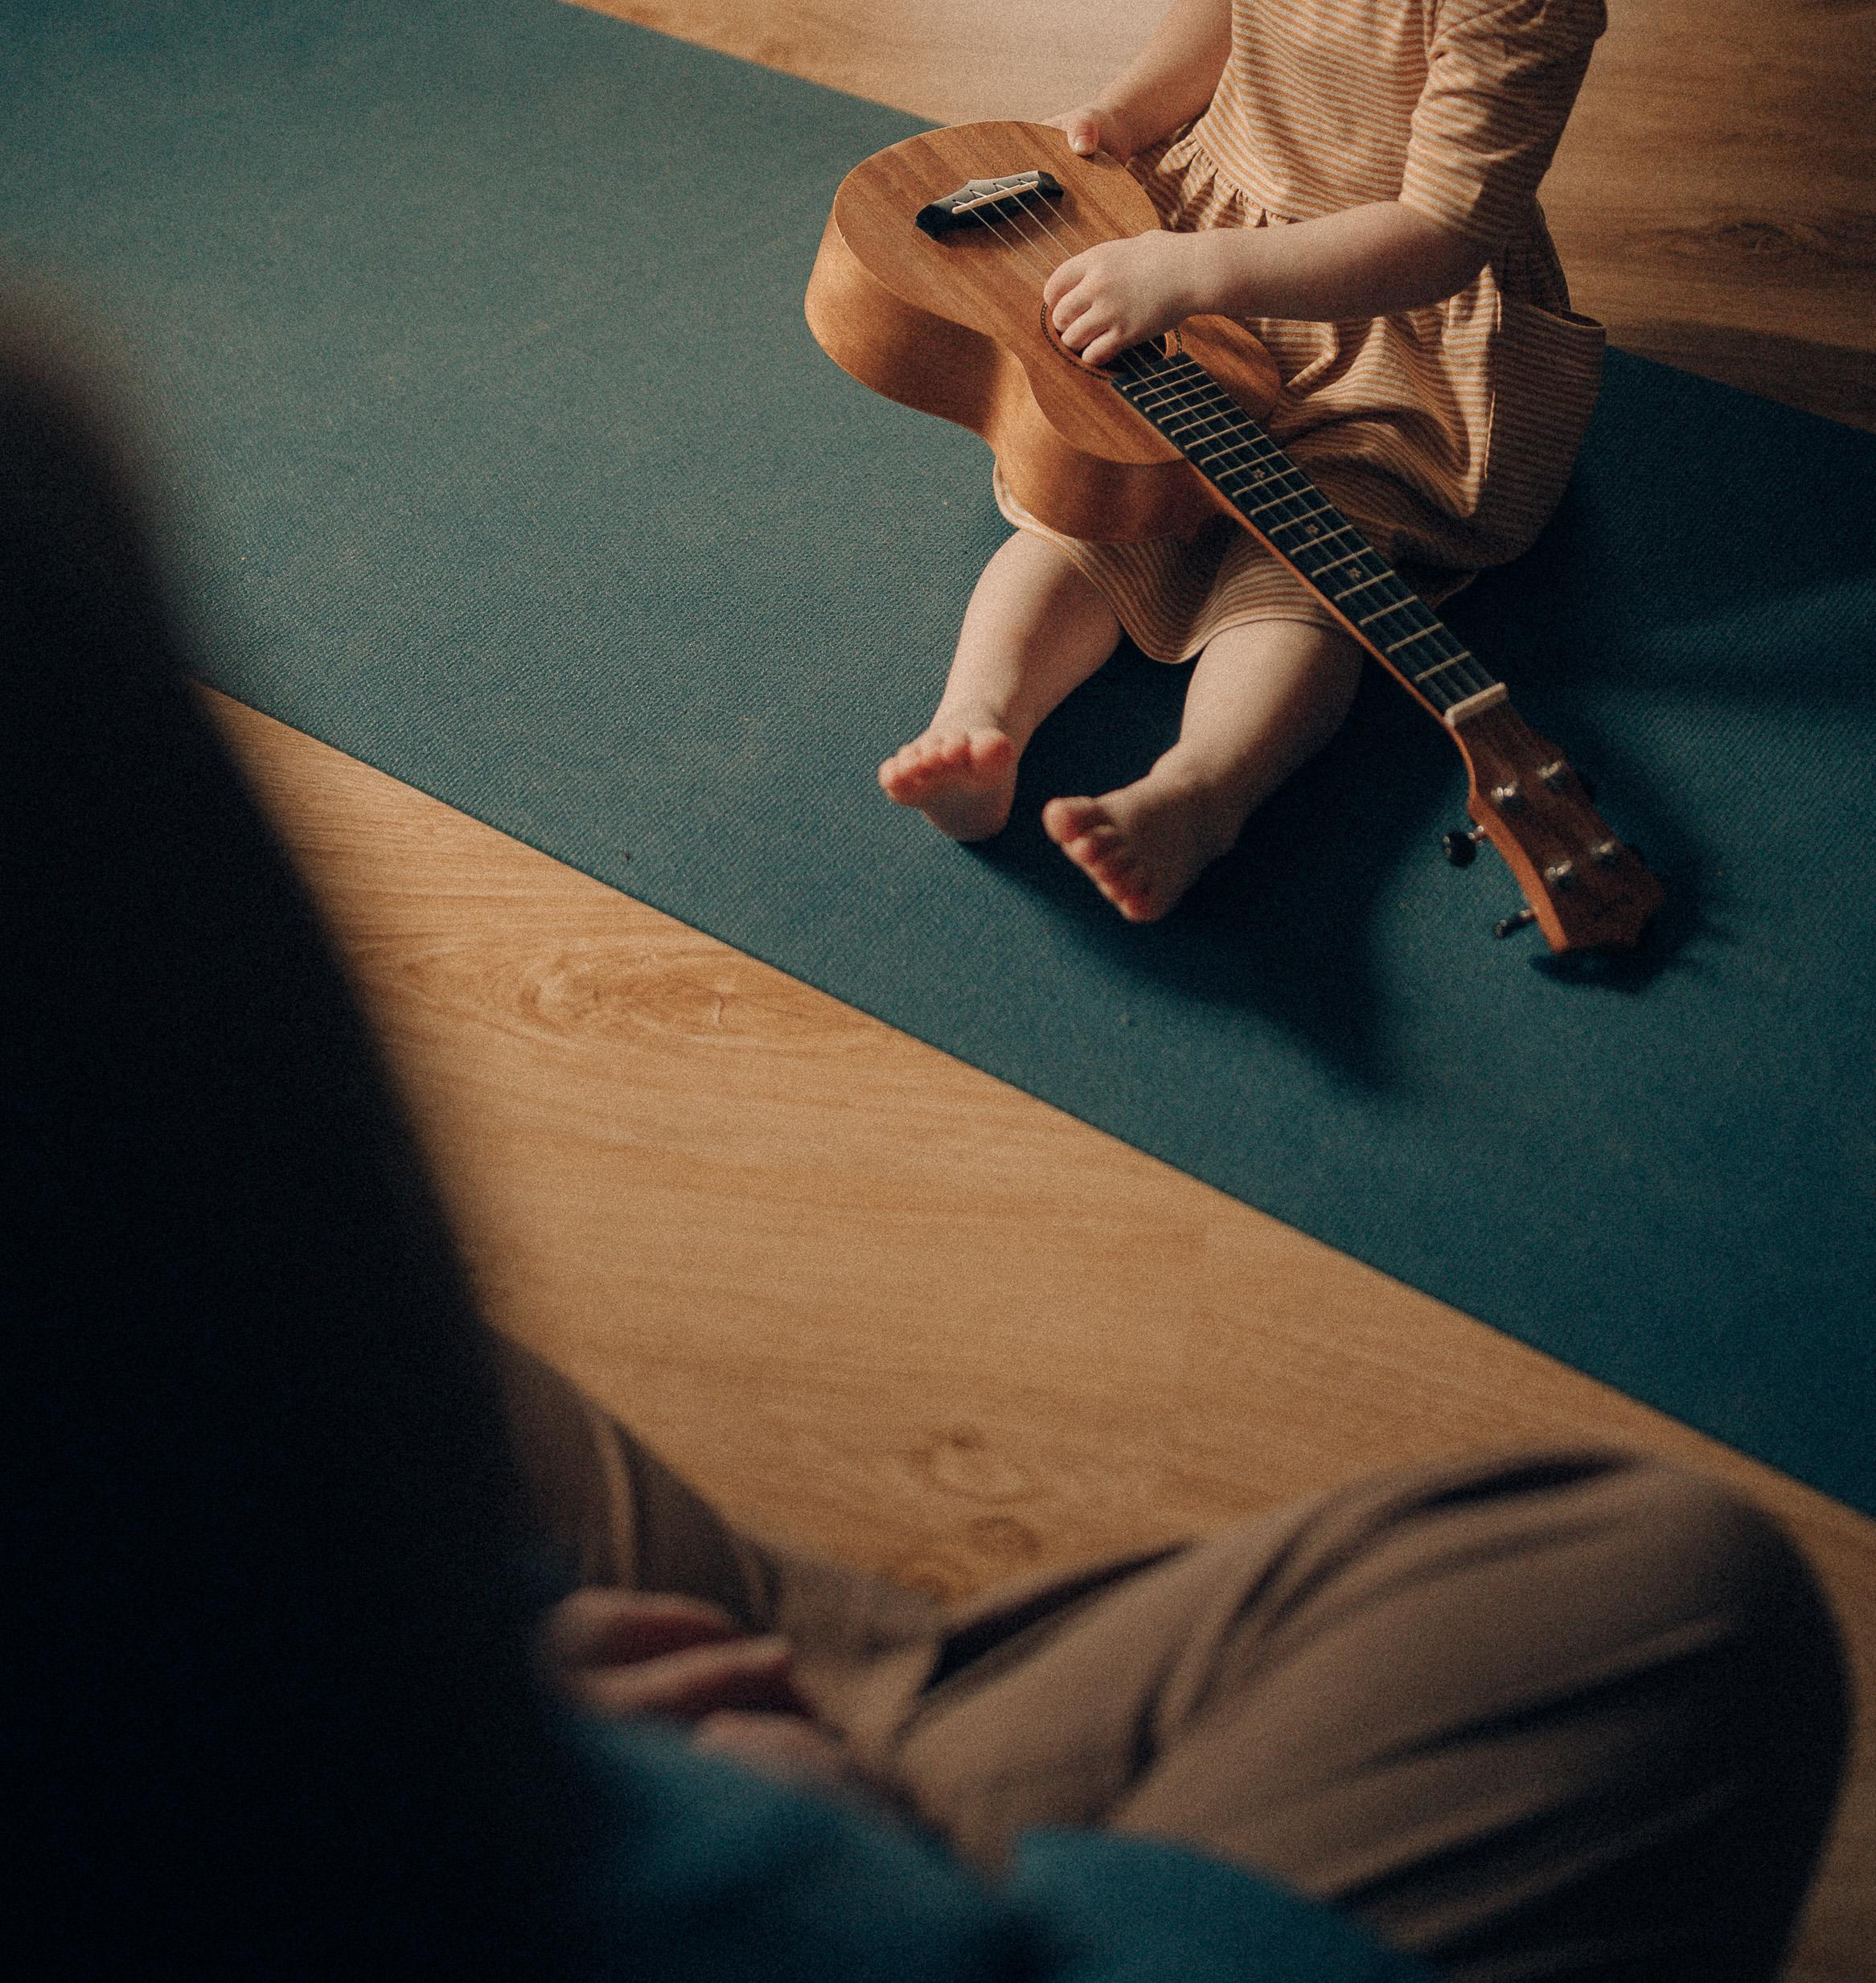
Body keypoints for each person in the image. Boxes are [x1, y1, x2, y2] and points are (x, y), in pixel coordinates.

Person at [2, 320, 1849, 1982]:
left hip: (426, 1693)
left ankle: (1197, 785)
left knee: (1291, 592)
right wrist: (735, 1826)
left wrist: (478, 1694)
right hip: (640, 1835)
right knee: (1657, 1586)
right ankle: (1005, 728)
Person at [881, 0, 1611, 924]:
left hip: (1387, 332)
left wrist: (1199, 271)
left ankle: (1199, 792)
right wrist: (1136, 111)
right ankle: (981, 726)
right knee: (1083, 518)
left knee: (1305, 587)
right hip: (1213, 226)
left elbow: (1438, 230)